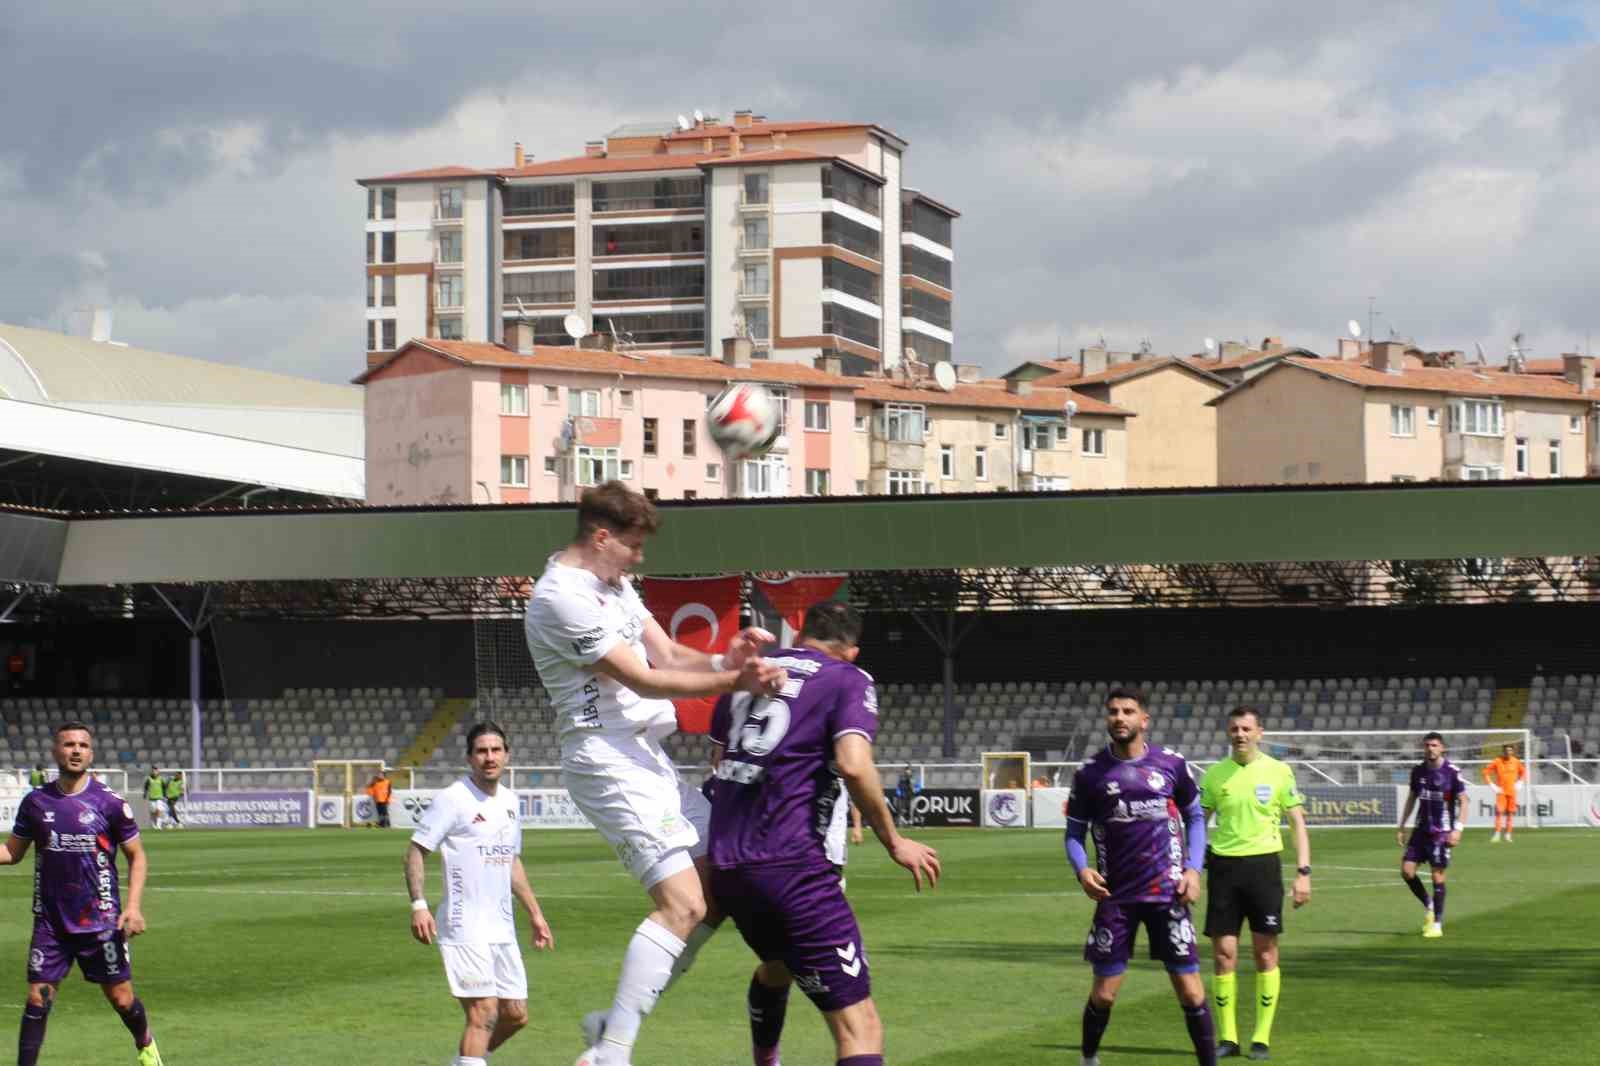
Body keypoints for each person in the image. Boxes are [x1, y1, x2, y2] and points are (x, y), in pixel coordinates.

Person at [523, 481, 785, 1066]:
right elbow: (642, 679)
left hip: (644, 756)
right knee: (683, 904)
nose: (640, 558)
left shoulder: (613, 583)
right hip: (606, 759)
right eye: (634, 546)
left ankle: (612, 1028)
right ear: (602, 537)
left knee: (719, 885)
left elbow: (665, 654)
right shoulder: (559, 598)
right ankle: (611, 1054)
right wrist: (735, 682)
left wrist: (726, 658)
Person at [706, 600, 941, 1066]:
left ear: (799, 635)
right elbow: (854, 764)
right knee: (861, 1027)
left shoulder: (748, 675)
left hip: (730, 865)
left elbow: (719, 765)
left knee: (778, 967)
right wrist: (895, 841)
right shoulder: (848, 678)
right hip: (792, 865)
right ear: (852, 651)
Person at [1066, 689, 1215, 1066]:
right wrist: (1082, 869)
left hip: (1169, 894)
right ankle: (1088, 1059)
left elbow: (1196, 817)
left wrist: (1194, 869)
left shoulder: (1171, 764)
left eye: (1128, 711)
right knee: (1104, 994)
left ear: (1143, 720)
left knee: (1191, 991)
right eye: (1113, 711)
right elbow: (1074, 833)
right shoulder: (1090, 774)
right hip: (1116, 897)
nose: (1120, 717)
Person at [0, 722, 163, 1066]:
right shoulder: (36, 802)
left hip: (101, 922)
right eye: (69, 744)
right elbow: (11, 853)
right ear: (55, 751)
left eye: (83, 745)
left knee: (121, 999)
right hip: (51, 924)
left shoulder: (109, 803)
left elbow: (137, 856)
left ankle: (145, 1043)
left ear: (91, 753)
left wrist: (133, 907)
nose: (76, 750)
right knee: (38, 998)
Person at [406, 722, 554, 1066]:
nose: (489, 757)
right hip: (464, 925)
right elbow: (415, 851)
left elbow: (511, 861)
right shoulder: (453, 799)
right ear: (470, 757)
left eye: (496, 750)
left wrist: (535, 913)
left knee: (515, 1015)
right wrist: (419, 905)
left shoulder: (511, 801)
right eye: (482, 751)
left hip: (501, 926)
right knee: (484, 1012)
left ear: (507, 755)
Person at [1199, 707, 1312, 1061]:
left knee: (1265, 953)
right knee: (1224, 955)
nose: (1240, 734)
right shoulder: (1215, 775)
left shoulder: (1279, 771)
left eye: (1246, 729)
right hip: (1224, 870)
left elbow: (1297, 822)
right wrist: (1191, 864)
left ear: (1259, 732)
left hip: (1264, 868)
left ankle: (1261, 1038)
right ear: (1228, 732)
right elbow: (1197, 821)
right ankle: (1228, 1038)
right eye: (1234, 729)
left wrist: (1304, 872)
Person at [1398, 732, 1467, 938]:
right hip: (1421, 830)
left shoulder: (1452, 772)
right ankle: (1429, 904)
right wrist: (1402, 825)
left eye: (1435, 745)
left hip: (1441, 832)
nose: (1430, 748)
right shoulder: (1418, 771)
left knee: (1437, 875)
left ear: (1442, 748)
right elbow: (1412, 798)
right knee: (1407, 871)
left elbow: (1464, 801)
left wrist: (1458, 829)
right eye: (1427, 745)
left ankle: (1437, 924)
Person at [1482, 744, 1525, 842]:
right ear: (1503, 752)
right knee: (1499, 813)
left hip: (1512, 791)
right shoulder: (1497, 761)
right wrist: (1492, 785)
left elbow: (1523, 772)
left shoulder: (1516, 762)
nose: (1508, 752)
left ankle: (1508, 835)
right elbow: (1485, 772)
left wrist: (1520, 782)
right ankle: (1497, 834)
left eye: (1510, 750)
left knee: (1510, 813)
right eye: (1506, 751)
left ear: (1512, 752)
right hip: (1501, 791)